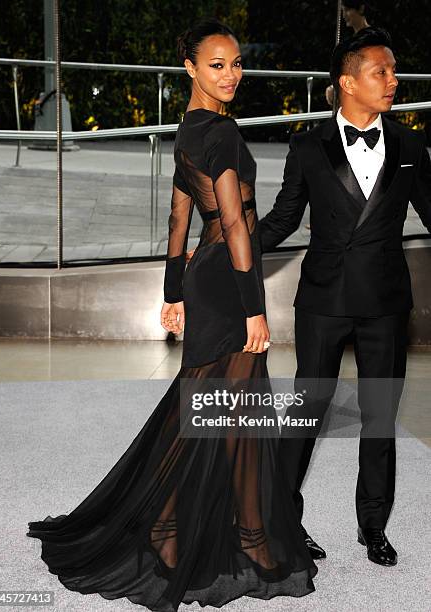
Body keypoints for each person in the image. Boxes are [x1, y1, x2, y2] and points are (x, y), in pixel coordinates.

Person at [26, 18, 317, 612]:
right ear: (190, 67)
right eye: (217, 64)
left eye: (236, 63)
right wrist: (255, 310)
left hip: (204, 280)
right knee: (233, 415)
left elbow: (178, 220)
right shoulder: (225, 135)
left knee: (219, 411)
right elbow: (236, 224)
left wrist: (174, 293)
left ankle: (182, 525)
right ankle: (245, 537)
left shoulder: (188, 130)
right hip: (232, 285)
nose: (231, 74)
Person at [259, 27, 431, 567]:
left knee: (380, 417)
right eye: (382, 72)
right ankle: (283, 518)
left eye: (394, 72)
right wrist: (227, 249)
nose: (393, 81)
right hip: (323, 301)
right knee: (308, 411)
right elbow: (285, 218)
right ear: (348, 82)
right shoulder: (308, 145)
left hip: (384, 302)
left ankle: (373, 525)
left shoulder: (408, 144)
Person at [325, 1, 371, 106]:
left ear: (361, 9)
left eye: (347, 10)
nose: (344, 15)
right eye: (342, 11)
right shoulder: (351, 40)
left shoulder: (371, 37)